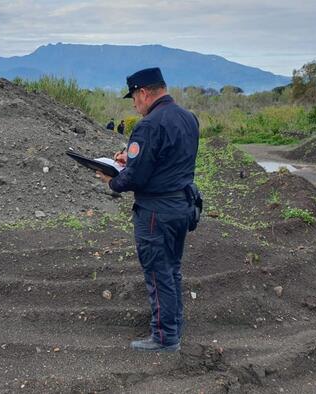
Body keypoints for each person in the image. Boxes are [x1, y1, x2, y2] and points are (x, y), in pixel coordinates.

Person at [96, 67, 200, 352]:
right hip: (182, 205)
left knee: (157, 272)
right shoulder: (189, 118)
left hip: (156, 211)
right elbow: (167, 161)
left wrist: (112, 179)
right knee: (172, 270)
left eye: (133, 98)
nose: (134, 105)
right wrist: (129, 160)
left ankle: (164, 338)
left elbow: (137, 178)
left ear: (143, 93)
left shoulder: (148, 125)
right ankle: (174, 325)